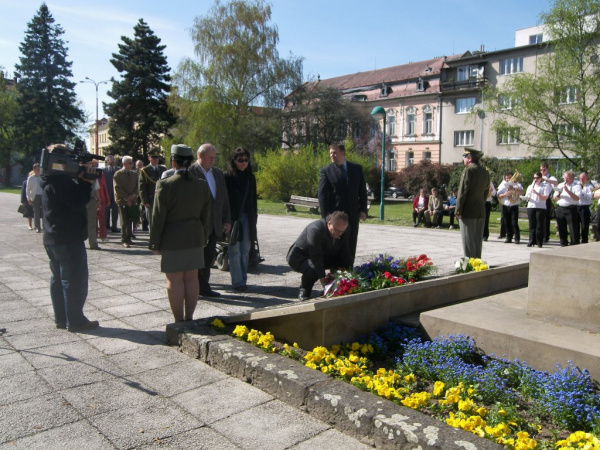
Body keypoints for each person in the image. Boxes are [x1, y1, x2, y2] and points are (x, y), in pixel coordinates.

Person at [40, 144, 99, 332]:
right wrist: (86, 183)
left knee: (57, 279)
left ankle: (61, 318)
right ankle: (75, 320)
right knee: (74, 280)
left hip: (53, 237)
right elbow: (77, 202)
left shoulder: (50, 179)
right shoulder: (62, 182)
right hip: (68, 238)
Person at [150, 144, 211, 322]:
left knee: (174, 280)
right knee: (192, 279)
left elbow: (157, 217)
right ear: (191, 161)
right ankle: (189, 317)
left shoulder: (164, 185)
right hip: (194, 237)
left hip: (172, 239)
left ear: (173, 162)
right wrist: (204, 237)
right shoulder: (202, 185)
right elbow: (205, 216)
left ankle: (178, 320)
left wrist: (154, 243)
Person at [189, 143, 231, 297]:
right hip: (198, 225)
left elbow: (224, 198)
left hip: (214, 224)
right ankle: (194, 287)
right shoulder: (190, 172)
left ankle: (204, 287)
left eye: (214, 158)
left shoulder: (218, 174)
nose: (213, 161)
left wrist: (227, 219)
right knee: (196, 259)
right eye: (210, 158)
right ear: (200, 156)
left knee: (208, 258)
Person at [317, 144, 368, 265]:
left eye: (335, 153)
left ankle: (349, 271)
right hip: (335, 216)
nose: (332, 155)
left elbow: (362, 191)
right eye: (330, 153)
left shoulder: (356, 169)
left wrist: (363, 210)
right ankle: (336, 273)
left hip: (352, 214)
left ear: (343, 153)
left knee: (351, 243)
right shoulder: (326, 171)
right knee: (336, 244)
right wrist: (326, 217)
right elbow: (322, 195)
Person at [287, 211, 352, 301]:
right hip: (300, 256)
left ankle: (336, 287)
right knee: (313, 269)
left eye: (342, 232)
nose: (339, 234)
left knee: (341, 262)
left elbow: (345, 252)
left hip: (324, 254)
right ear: (329, 223)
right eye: (337, 230)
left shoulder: (344, 229)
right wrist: (323, 280)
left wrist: (350, 274)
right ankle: (305, 290)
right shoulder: (315, 229)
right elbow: (316, 256)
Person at [224, 148, 258, 292]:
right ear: (234, 160)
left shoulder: (251, 177)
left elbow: (254, 200)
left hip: (248, 217)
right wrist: (226, 220)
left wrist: (254, 219)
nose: (243, 163)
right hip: (233, 218)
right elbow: (224, 200)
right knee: (235, 250)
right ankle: (237, 282)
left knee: (246, 250)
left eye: (245, 160)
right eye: (240, 160)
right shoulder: (227, 177)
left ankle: (243, 279)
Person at [455, 148, 490, 258]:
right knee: (477, 241)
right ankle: (477, 264)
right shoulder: (484, 171)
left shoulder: (468, 170)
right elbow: (486, 191)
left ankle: (470, 267)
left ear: (469, 158)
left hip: (468, 211)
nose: (463, 159)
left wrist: (458, 210)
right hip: (480, 210)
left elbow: (462, 192)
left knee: (468, 242)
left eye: (464, 157)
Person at [139, 148, 167, 232]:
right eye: (153, 157)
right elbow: (142, 187)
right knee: (152, 223)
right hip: (150, 200)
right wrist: (145, 201)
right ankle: (153, 242)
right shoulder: (145, 170)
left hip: (162, 201)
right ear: (149, 158)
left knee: (162, 223)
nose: (155, 160)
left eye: (157, 158)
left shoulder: (163, 169)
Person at [113, 156, 139, 248]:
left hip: (132, 200)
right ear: (124, 164)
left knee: (131, 220)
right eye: (129, 163)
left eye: (132, 162)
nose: (131, 165)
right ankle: (124, 239)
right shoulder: (118, 174)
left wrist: (133, 195)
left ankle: (129, 237)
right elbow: (117, 188)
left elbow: (137, 186)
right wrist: (126, 198)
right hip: (122, 201)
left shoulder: (134, 174)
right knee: (124, 220)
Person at [553, 170, 581, 246]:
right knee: (561, 227)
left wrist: (567, 191)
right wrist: (558, 194)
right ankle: (563, 243)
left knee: (573, 228)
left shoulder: (577, 186)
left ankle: (574, 243)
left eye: (568, 178)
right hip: (560, 208)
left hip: (571, 209)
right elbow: (554, 199)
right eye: (565, 177)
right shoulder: (560, 185)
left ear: (572, 178)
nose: (566, 179)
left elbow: (577, 198)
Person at [525, 172, 552, 248]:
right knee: (531, 225)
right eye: (534, 178)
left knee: (539, 225)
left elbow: (545, 197)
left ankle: (539, 241)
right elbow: (527, 196)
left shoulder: (544, 186)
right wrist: (527, 197)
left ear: (540, 178)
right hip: (531, 206)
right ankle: (531, 241)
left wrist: (536, 193)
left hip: (540, 207)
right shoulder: (530, 186)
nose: (535, 179)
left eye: (537, 178)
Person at [497, 171, 523, 244]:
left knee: (514, 222)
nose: (508, 179)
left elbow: (521, 192)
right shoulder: (503, 185)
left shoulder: (517, 184)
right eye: (507, 178)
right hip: (506, 205)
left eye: (509, 178)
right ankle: (509, 237)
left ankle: (517, 238)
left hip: (514, 206)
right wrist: (505, 194)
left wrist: (514, 189)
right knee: (507, 222)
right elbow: (498, 195)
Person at [84, 160, 102, 250]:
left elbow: (96, 189)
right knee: (79, 223)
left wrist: (98, 201)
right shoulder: (76, 173)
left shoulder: (93, 176)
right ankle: (79, 243)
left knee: (92, 223)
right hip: (79, 201)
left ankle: (93, 243)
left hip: (91, 200)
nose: (88, 166)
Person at [540, 162, 558, 242]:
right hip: (539, 199)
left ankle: (546, 236)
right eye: (541, 170)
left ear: (547, 169)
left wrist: (546, 179)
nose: (542, 171)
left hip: (547, 199)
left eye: (544, 170)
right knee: (539, 218)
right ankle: (539, 235)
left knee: (546, 219)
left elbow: (556, 183)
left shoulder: (551, 177)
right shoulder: (539, 177)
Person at [103, 155, 121, 233]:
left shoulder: (118, 170)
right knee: (106, 211)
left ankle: (114, 226)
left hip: (116, 194)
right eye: (111, 160)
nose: (113, 161)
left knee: (115, 211)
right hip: (106, 193)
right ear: (107, 161)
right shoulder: (103, 170)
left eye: (113, 160)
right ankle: (105, 226)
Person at [26, 163, 43, 232]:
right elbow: (28, 189)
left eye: (39, 169)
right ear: (34, 169)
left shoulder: (42, 177)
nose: (39, 171)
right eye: (37, 169)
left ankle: (44, 227)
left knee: (44, 211)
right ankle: (37, 227)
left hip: (42, 195)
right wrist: (29, 198)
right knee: (36, 212)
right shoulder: (31, 178)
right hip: (35, 196)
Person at [577, 172, 594, 244]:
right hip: (577, 206)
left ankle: (584, 240)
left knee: (584, 225)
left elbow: (590, 197)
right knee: (575, 224)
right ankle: (576, 239)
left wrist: (582, 191)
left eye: (583, 178)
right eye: (580, 178)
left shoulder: (590, 186)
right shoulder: (577, 185)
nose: (581, 179)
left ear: (586, 178)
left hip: (584, 207)